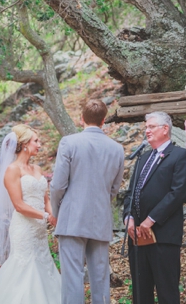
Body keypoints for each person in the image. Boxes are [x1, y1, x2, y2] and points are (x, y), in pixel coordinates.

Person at [50, 99, 125, 304]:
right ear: (103, 121)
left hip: (71, 219)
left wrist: (57, 212)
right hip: (100, 219)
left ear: (81, 119)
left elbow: (57, 186)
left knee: (72, 277)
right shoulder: (117, 149)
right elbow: (114, 189)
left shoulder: (69, 142)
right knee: (100, 277)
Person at [0, 125, 61, 304]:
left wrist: (55, 217)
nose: (39, 144)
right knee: (25, 269)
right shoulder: (12, 170)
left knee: (43, 264)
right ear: (24, 144)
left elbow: (45, 199)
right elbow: (19, 205)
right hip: (24, 228)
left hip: (39, 230)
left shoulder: (38, 169)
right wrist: (47, 217)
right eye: (36, 141)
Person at [121, 111, 186, 304]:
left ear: (165, 129)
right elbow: (130, 192)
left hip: (162, 235)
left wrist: (151, 219)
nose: (147, 131)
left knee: (166, 291)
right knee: (140, 292)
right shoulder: (143, 158)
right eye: (146, 127)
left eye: (151, 127)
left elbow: (177, 193)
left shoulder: (180, 156)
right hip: (137, 236)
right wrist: (128, 217)